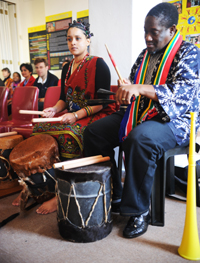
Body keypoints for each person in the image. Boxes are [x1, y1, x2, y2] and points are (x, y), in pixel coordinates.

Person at [83, 2, 200, 239]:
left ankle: (139, 210)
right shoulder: (145, 55)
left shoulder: (190, 52)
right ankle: (113, 192)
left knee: (141, 138)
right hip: (140, 111)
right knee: (94, 132)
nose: (147, 38)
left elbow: (183, 95)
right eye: (145, 31)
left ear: (171, 30)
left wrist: (140, 88)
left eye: (153, 32)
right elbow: (135, 87)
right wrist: (127, 89)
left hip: (175, 119)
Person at [12, 20, 116, 214]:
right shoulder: (67, 67)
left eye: (78, 38)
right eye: (69, 39)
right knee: (39, 130)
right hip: (72, 113)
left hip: (95, 114)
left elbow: (102, 103)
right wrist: (53, 109)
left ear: (87, 41)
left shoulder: (98, 64)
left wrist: (75, 115)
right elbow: (63, 100)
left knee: (68, 134)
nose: (73, 43)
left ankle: (61, 191)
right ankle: (34, 186)